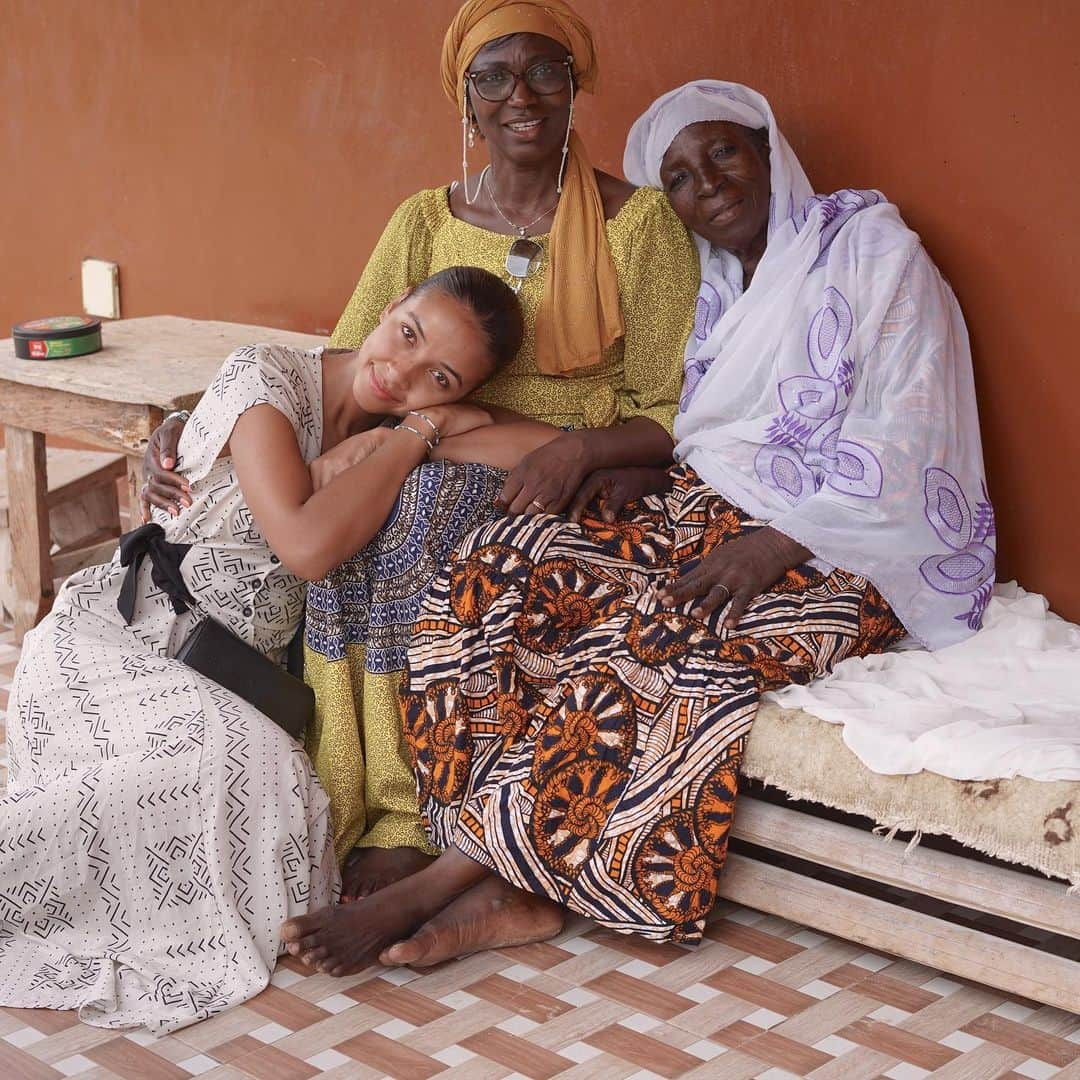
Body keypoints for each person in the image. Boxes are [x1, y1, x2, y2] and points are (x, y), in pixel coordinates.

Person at [278, 81, 995, 974]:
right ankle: (507, 884)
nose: (711, 186)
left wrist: (773, 542)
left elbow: (912, 441)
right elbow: (719, 430)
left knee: (660, 639)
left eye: (724, 154)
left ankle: (433, 888)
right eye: (684, 179)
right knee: (500, 566)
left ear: (771, 152)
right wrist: (640, 470)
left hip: (853, 550)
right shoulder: (724, 284)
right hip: (711, 505)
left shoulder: (876, 256)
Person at [143, 0, 699, 900]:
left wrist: (580, 453)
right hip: (428, 436)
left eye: (544, 71)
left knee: (414, 509)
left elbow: (668, 411)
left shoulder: (638, 229)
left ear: (575, 84)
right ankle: (341, 790)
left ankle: (402, 812)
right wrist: (195, 423)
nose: (520, 95)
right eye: (493, 77)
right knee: (378, 503)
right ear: (464, 99)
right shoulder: (422, 222)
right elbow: (353, 376)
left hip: (552, 456)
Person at [0, 266, 524, 1031]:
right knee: (234, 766)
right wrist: (420, 432)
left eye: (435, 376)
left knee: (254, 777)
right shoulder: (267, 379)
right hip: (120, 637)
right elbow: (308, 547)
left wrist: (431, 429)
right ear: (387, 308)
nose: (400, 372)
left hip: (213, 673)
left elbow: (546, 444)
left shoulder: (400, 425)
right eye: (406, 334)